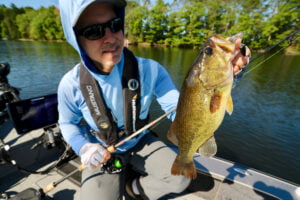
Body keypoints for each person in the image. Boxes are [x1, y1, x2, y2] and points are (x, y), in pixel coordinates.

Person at [57, 0, 251, 200]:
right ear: (76, 39)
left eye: (115, 25)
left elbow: (180, 109)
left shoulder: (150, 70)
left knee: (180, 178)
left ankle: (134, 188)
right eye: (94, 31)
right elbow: (67, 123)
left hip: (140, 141)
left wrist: (230, 76)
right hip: (101, 147)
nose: (110, 38)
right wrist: (83, 146)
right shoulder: (70, 85)